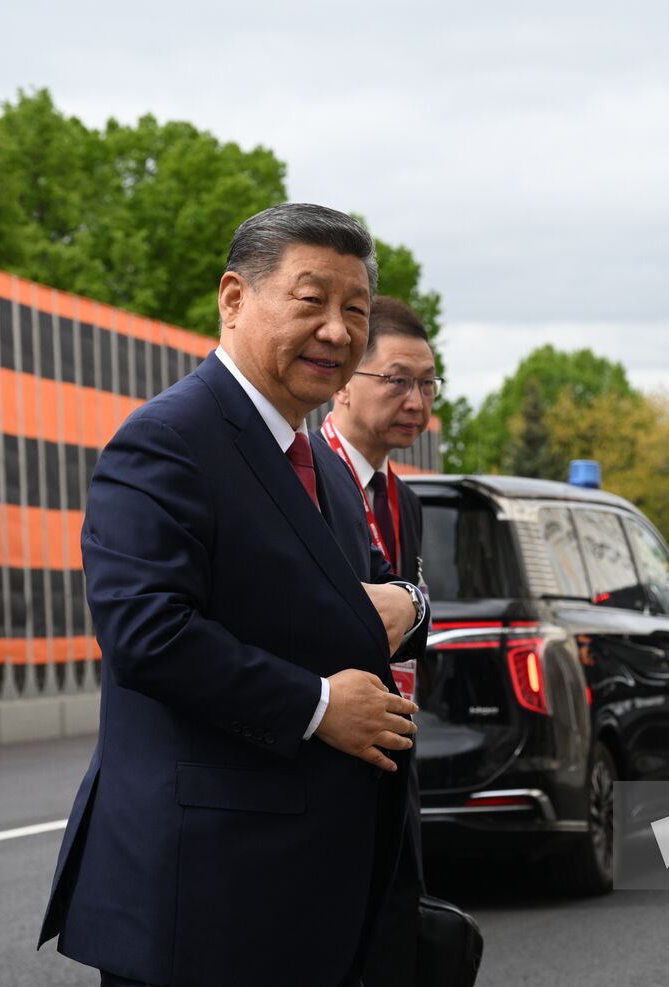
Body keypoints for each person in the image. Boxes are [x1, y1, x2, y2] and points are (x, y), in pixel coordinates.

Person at [39, 204, 428, 987]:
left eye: (355, 311)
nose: (336, 330)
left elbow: (350, 611)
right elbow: (147, 631)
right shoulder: (168, 439)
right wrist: (316, 704)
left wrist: (410, 604)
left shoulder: (323, 468)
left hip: (318, 896)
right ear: (234, 299)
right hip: (208, 898)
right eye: (310, 300)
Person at [313, 295, 439, 986]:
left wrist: (413, 605)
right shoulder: (301, 479)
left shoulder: (405, 497)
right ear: (341, 382)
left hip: (393, 762)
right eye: (396, 379)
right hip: (326, 754)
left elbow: (410, 621)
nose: (415, 399)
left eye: (426, 383)